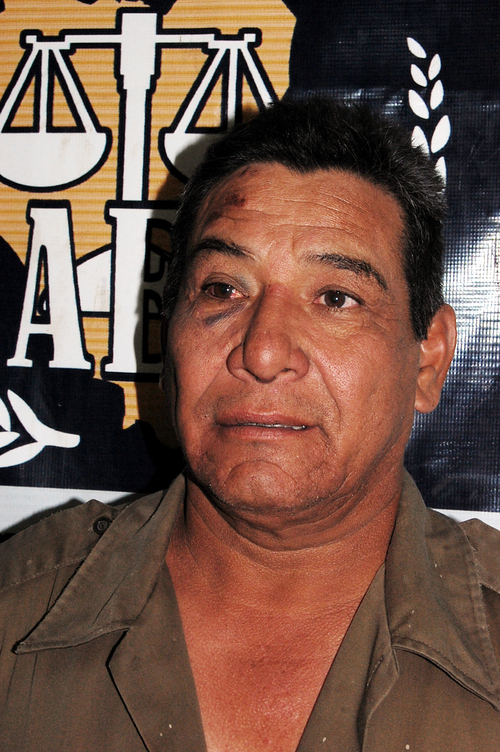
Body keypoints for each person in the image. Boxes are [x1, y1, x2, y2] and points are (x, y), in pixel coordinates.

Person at [1, 97, 500, 752]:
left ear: (428, 360)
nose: (262, 351)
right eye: (223, 289)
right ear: (168, 337)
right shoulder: (16, 613)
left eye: (336, 298)